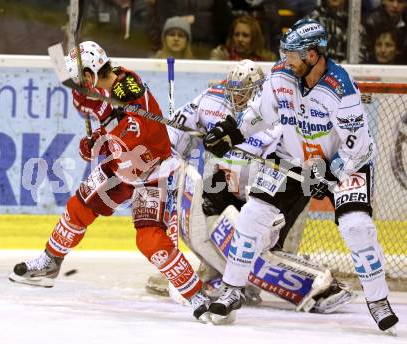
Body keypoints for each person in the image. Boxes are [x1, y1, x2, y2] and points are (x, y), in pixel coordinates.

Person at [202, 19, 399, 333]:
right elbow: (260, 115)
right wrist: (231, 132)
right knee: (253, 214)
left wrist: (330, 175)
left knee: (356, 226)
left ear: (312, 55)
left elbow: (358, 148)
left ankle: (378, 301)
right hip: (293, 159)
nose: (285, 60)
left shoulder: (341, 88)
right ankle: (232, 289)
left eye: (292, 54)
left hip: (344, 164)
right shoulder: (281, 76)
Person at [9, 41, 211, 323]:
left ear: (92, 73)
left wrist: (101, 141)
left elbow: (132, 140)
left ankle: (196, 296)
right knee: (78, 207)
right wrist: (96, 142)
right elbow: (109, 131)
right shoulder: (105, 88)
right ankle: (50, 262)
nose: (81, 84)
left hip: (153, 174)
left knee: (150, 240)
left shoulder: (130, 94)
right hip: (122, 168)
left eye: (82, 78)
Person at [147, 59, 355, 315]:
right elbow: (178, 124)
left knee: (260, 245)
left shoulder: (277, 108)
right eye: (234, 90)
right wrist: (170, 152)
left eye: (244, 91)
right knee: (212, 224)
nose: (238, 97)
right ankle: (218, 272)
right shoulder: (212, 98)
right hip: (227, 182)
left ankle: (322, 286)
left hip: (275, 185)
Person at [210, 15, 276, 61]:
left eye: (245, 35)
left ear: (255, 38)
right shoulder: (221, 55)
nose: (240, 39)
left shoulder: (268, 59)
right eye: (236, 34)